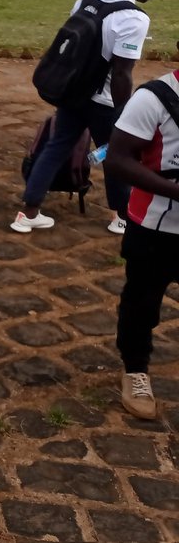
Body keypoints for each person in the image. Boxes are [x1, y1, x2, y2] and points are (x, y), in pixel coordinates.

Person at [11, 0, 164, 234]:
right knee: (119, 156)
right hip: (104, 101)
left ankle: (29, 212)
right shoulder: (134, 19)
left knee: (56, 147)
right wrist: (124, 114)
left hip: (73, 91)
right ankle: (122, 217)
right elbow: (121, 73)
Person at [106, 66, 179, 419]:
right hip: (156, 226)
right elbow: (118, 159)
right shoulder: (153, 98)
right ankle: (135, 371)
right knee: (142, 302)